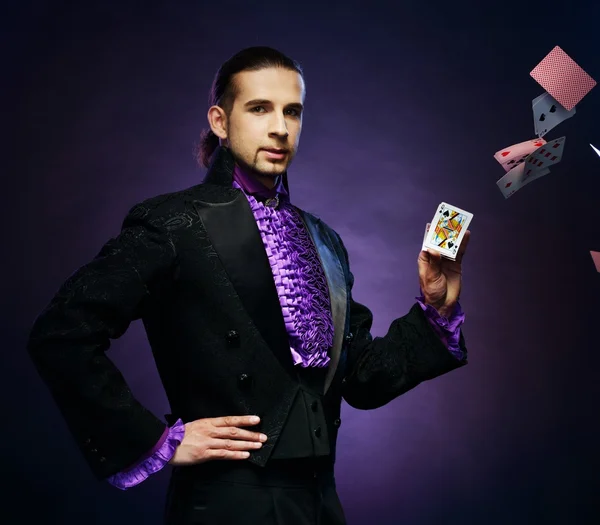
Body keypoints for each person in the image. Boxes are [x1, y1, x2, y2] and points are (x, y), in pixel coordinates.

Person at [27, 46, 471, 525]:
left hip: (322, 503)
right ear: (220, 121)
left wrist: (435, 311)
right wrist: (155, 442)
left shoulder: (325, 240)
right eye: (259, 108)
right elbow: (62, 332)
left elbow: (362, 380)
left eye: (292, 111)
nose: (280, 127)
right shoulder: (173, 222)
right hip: (227, 503)